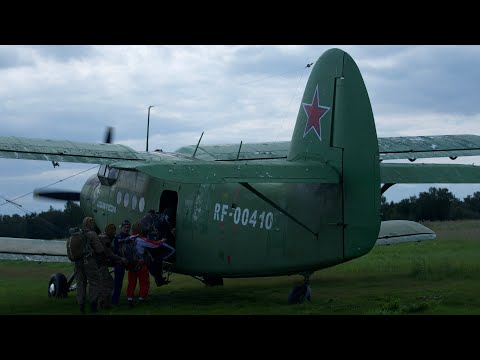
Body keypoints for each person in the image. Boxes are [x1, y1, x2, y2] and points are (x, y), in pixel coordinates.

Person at [73, 216, 105, 314]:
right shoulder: (92, 234)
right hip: (89, 262)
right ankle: (93, 306)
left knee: (80, 284)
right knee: (94, 283)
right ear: (90, 224)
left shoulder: (77, 234)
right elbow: (99, 249)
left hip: (78, 263)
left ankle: (81, 306)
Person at [97, 223, 127, 310]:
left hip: (98, 264)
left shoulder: (101, 236)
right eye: (114, 231)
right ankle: (103, 304)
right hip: (101, 265)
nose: (115, 233)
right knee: (108, 284)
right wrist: (121, 258)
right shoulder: (105, 239)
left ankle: (103, 304)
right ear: (111, 231)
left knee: (103, 284)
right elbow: (109, 253)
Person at [111, 219, 131, 305]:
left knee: (128, 282)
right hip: (119, 262)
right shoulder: (117, 238)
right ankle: (114, 301)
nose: (126, 229)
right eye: (125, 227)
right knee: (117, 283)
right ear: (122, 227)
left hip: (128, 262)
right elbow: (114, 251)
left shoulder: (130, 237)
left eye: (128, 227)